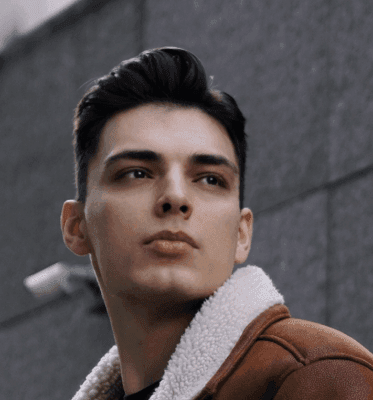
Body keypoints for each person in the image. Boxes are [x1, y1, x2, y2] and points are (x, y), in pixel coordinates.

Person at [61, 47, 373, 400]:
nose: (175, 197)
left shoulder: (320, 375)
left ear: (242, 233)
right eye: (138, 173)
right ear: (76, 226)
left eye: (209, 179)